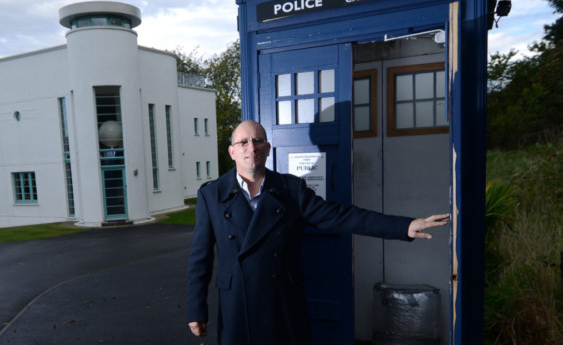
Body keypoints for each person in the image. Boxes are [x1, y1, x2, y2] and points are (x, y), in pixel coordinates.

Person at [187, 120, 449, 344]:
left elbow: (341, 217)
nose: (250, 148)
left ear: (267, 148)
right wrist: (196, 309)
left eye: (257, 141)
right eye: (243, 142)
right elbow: (200, 259)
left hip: (282, 304)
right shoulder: (211, 195)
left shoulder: (292, 190)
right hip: (237, 306)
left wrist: (404, 226)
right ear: (232, 152)